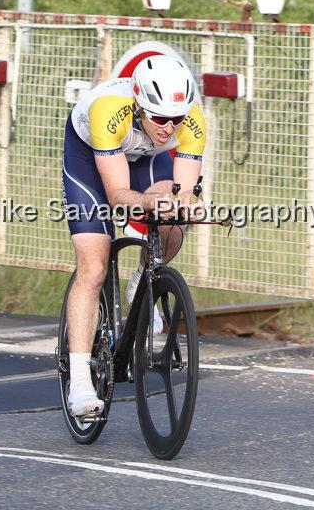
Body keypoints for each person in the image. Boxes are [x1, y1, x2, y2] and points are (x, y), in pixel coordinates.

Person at [61, 55, 206, 417]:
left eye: (177, 119)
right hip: (91, 159)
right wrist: (147, 200)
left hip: (145, 157)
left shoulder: (190, 120)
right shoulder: (109, 110)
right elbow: (116, 195)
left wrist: (186, 204)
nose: (169, 127)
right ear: (139, 105)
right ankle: (80, 381)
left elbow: (183, 193)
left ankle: (143, 279)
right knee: (93, 267)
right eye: (159, 118)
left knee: (173, 223)